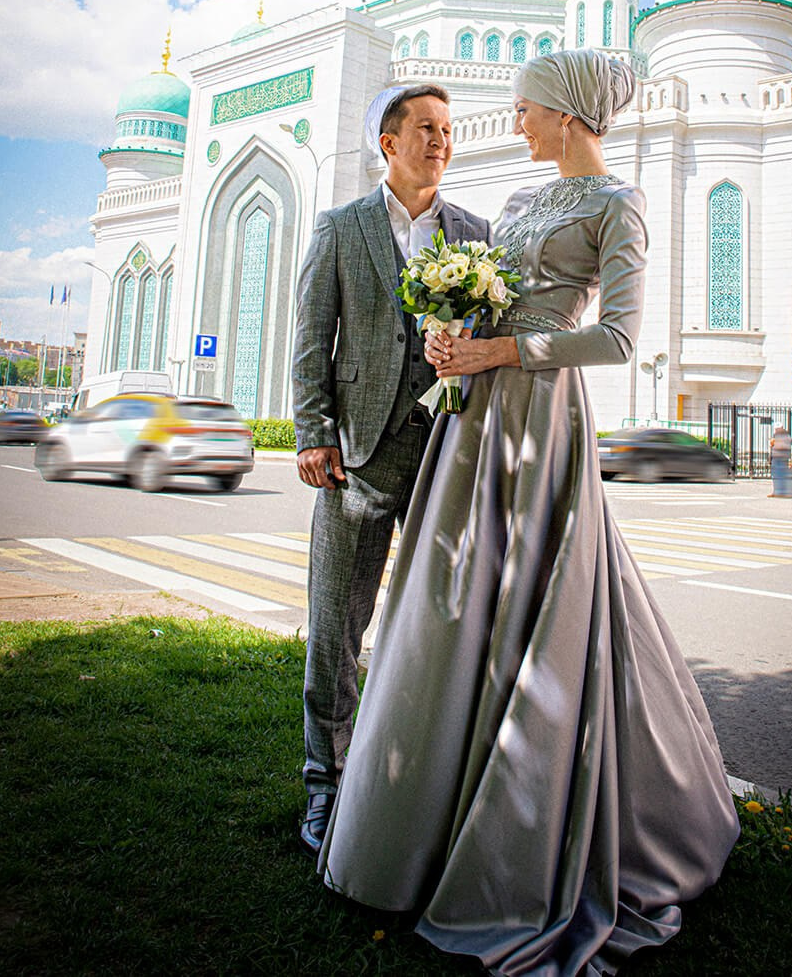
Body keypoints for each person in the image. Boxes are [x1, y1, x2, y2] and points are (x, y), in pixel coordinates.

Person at [320, 50, 739, 975]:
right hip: (472, 418)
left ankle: (527, 825)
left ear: (568, 114)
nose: (514, 123)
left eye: (525, 109)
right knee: (450, 601)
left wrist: (504, 352)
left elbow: (618, 336)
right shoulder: (515, 202)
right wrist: (453, 339)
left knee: (538, 593)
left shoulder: (617, 204)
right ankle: (424, 814)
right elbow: (487, 306)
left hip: (540, 418)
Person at [291, 83, 490, 858]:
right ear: (389, 142)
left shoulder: (474, 233)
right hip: (357, 459)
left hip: (446, 454)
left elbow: (488, 339)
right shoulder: (341, 228)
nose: (441, 141)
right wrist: (314, 433)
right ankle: (326, 783)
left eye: (447, 130)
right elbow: (313, 338)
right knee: (336, 630)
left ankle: (423, 782)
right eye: (426, 128)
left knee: (445, 625)